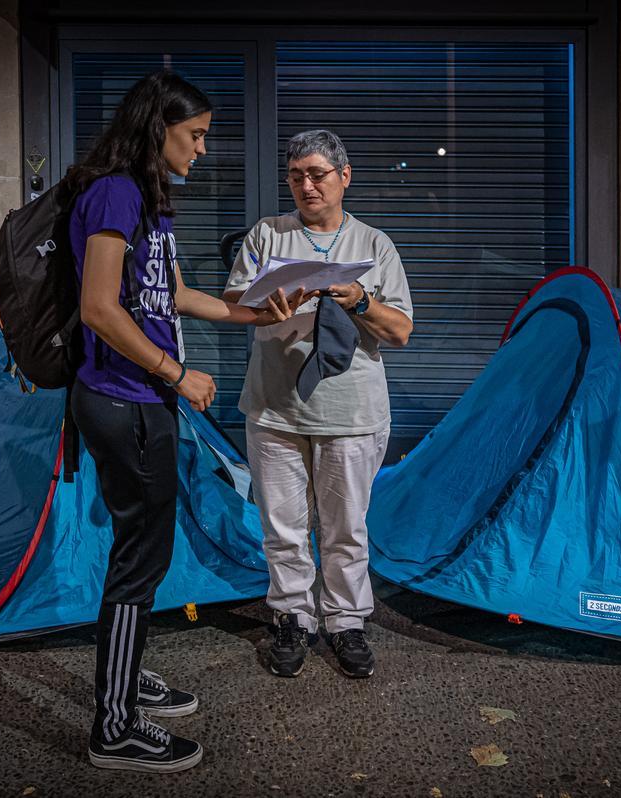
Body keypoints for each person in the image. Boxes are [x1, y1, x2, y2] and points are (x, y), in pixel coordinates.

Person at [64, 70, 305, 773]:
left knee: (141, 553)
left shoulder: (147, 199)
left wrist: (252, 312)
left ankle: (124, 675)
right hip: (125, 401)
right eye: (195, 135)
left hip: (141, 401)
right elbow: (99, 308)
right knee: (140, 562)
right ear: (156, 127)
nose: (203, 149)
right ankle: (113, 726)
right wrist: (176, 374)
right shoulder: (115, 192)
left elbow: (169, 295)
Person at [223, 129, 414, 679]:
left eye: (318, 174)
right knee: (282, 526)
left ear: (344, 177)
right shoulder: (267, 235)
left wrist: (360, 300)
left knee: (345, 528)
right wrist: (265, 303)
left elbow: (401, 333)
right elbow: (235, 303)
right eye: (296, 175)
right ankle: (290, 616)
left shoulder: (374, 245)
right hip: (275, 408)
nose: (306, 185)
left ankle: (346, 621)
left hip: (351, 411)